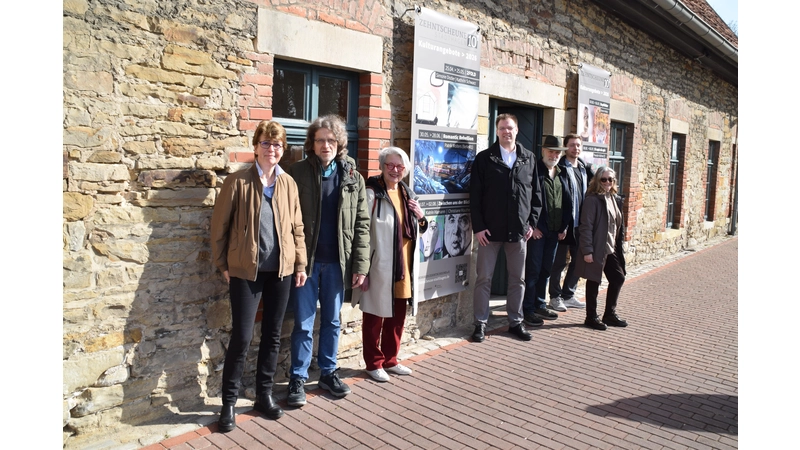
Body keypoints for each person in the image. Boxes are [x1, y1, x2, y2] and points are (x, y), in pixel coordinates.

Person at [210, 120, 308, 432]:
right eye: (266, 143)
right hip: (245, 272)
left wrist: (301, 264)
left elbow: (297, 228)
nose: (272, 149)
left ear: (283, 150)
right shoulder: (237, 182)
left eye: (277, 145)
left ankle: (264, 395)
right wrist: (222, 264)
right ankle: (228, 403)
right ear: (256, 147)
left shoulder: (288, 184)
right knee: (242, 336)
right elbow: (219, 227)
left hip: (280, 271)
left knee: (273, 334)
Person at [286, 115, 371, 406]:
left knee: (333, 321)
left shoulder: (352, 177)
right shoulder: (296, 173)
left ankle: (328, 372)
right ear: (312, 143)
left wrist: (360, 266)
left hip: (337, 263)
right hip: (306, 264)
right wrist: (295, 261)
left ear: (339, 144)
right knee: (304, 324)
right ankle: (297, 377)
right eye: (320, 140)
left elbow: (362, 224)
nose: (326, 145)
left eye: (331, 140)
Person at [353, 147, 428, 383]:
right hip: (380, 263)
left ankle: (390, 359)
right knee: (374, 314)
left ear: (405, 170)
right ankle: (373, 363)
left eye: (399, 167)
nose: (395, 170)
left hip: (404, 262)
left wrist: (421, 217)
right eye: (390, 165)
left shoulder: (408, 194)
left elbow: (420, 228)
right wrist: (362, 267)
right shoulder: (372, 192)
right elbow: (361, 230)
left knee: (397, 314)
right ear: (382, 166)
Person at [469, 113, 542, 343]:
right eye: (502, 128)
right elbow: (475, 196)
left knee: (517, 280)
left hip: (518, 231)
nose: (506, 132)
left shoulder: (529, 158)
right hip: (489, 233)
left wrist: (532, 223)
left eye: (510, 128)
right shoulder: (484, 159)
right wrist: (479, 227)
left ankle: (515, 322)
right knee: (484, 278)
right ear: (497, 131)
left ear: (517, 130)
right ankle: (480, 323)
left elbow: (536, 195)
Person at [521, 136, 573, 327]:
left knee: (545, 270)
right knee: (533, 271)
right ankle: (527, 308)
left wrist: (564, 226)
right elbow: (526, 201)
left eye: (557, 152)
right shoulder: (534, 171)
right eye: (551, 151)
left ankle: (540, 304)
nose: (554, 155)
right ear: (543, 151)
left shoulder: (562, 173)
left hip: (554, 232)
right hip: (538, 232)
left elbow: (568, 202)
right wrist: (531, 226)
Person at [574, 166, 628, 331]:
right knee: (593, 281)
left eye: (610, 179)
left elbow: (619, 224)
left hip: (611, 247)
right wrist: (587, 250)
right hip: (597, 247)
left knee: (618, 277)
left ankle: (609, 314)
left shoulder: (614, 198)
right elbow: (585, 227)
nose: (607, 182)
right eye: (604, 179)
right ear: (597, 181)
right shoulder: (592, 200)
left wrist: (622, 242)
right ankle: (591, 317)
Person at [548, 133, 594, 311]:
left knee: (579, 261)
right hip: (565, 224)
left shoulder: (584, 168)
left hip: (580, 225)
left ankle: (568, 294)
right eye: (572, 145)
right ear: (566, 147)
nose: (576, 148)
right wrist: (562, 224)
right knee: (558, 262)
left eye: (578, 145)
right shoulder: (559, 168)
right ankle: (554, 297)